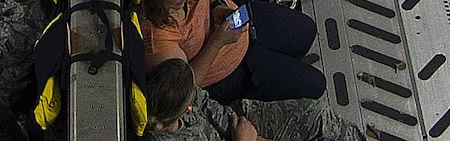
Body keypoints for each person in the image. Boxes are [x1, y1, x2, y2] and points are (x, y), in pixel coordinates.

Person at [140, 0, 322, 102]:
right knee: (316, 85)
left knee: (307, 31)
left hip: (234, 19)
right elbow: (186, 84)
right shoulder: (158, 38)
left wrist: (216, 4)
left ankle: (282, 64)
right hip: (229, 70)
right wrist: (217, 43)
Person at [143, 59, 361, 141]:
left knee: (317, 116)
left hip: (234, 128)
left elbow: (204, 103)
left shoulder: (177, 92)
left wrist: (244, 131)